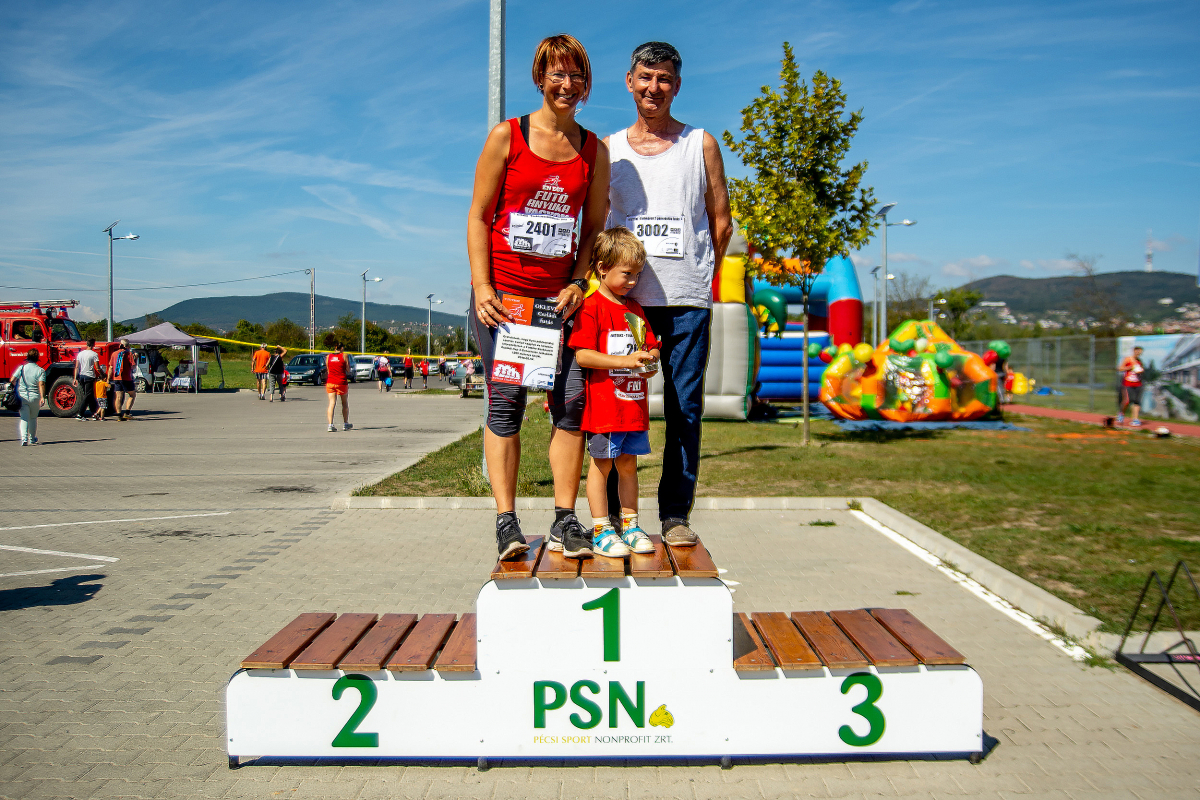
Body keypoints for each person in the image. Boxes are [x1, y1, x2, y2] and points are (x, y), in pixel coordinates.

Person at [467, 33, 610, 560]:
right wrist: (483, 286)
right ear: (539, 78)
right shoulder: (507, 136)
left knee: (570, 405)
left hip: (560, 302)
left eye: (576, 75)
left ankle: (564, 519)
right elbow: (479, 217)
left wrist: (578, 281)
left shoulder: (594, 150)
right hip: (505, 300)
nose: (567, 84)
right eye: (557, 73)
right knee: (507, 405)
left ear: (586, 83)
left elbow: (592, 228)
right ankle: (506, 522)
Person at [603, 41, 733, 546]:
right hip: (626, 303)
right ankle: (612, 517)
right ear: (630, 81)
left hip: (685, 302)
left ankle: (675, 515)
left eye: (664, 79)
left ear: (676, 86)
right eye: (645, 77)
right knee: (616, 405)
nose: (653, 87)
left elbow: (720, 222)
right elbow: (599, 223)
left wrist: (699, 276)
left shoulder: (700, 144)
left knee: (685, 409)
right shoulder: (609, 149)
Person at [569, 228, 660, 558]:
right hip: (605, 410)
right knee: (602, 466)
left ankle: (631, 526)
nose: (633, 281)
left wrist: (650, 360)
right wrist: (625, 361)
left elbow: (651, 346)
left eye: (637, 274)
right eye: (627, 274)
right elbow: (583, 356)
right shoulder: (591, 307)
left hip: (633, 408)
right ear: (602, 268)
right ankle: (601, 529)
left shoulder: (635, 309)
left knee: (628, 467)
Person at [11, 350, 46, 445]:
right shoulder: (40, 370)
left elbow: (12, 379)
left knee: (24, 418)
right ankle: (32, 438)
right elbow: (41, 384)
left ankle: (24, 439)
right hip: (35, 397)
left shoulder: (21, 368)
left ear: (27, 357)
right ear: (37, 358)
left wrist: (16, 387)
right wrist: (42, 397)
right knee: (33, 418)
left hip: (23, 396)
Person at [72, 338, 101, 420]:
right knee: (88, 395)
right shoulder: (94, 354)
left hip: (82, 375)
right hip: (90, 376)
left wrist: (75, 378)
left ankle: (94, 413)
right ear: (93, 344)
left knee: (90, 395)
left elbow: (77, 367)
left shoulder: (80, 354)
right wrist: (102, 374)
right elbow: (97, 368)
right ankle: (80, 414)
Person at [325, 343, 352, 432]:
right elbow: (348, 369)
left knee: (331, 403)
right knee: (344, 403)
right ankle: (345, 423)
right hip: (341, 382)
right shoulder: (344, 355)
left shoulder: (328, 357)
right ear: (342, 348)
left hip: (331, 381)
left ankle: (330, 425)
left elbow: (328, 370)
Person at [108, 339, 137, 421]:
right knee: (132, 395)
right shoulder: (129, 354)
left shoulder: (114, 354)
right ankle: (127, 413)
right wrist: (135, 358)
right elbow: (133, 367)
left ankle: (119, 414)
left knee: (118, 396)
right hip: (126, 377)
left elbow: (111, 367)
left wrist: (108, 379)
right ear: (127, 346)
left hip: (116, 377)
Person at [1118, 346, 1145, 427]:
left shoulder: (1139, 361)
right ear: (1134, 351)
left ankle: (1135, 419)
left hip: (1138, 383)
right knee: (1127, 400)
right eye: (1137, 352)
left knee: (1136, 401)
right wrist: (1129, 368)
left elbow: (1141, 370)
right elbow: (1120, 368)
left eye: (1140, 352)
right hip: (1128, 383)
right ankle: (1121, 413)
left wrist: (1140, 371)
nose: (1138, 354)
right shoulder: (1127, 359)